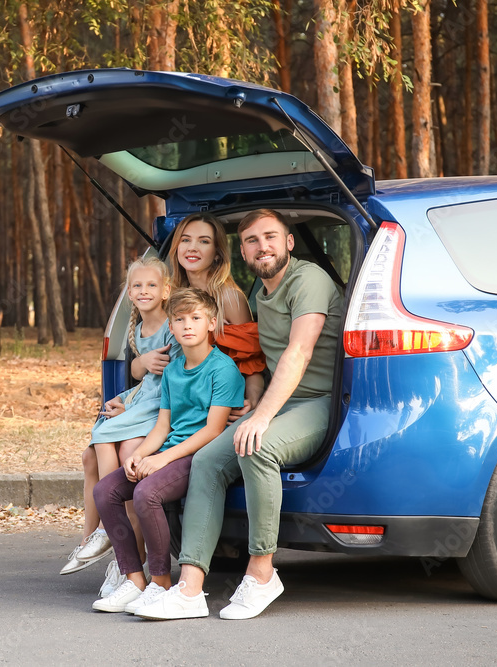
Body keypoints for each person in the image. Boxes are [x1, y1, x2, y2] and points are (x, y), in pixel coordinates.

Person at [137, 208, 343, 621]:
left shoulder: (309, 280)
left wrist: (261, 416)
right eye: (251, 240)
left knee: (256, 446)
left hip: (320, 401)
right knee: (208, 461)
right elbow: (250, 357)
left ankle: (262, 573)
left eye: (270, 237)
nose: (261, 246)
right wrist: (250, 399)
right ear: (243, 251)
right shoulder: (256, 295)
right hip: (278, 402)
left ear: (288, 242)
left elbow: (298, 352)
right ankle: (191, 588)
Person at [90, 288, 244, 613]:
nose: (188, 325)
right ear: (171, 328)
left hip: (199, 456)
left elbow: (213, 430)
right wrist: (140, 455)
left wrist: (161, 459)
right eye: (180, 319)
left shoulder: (223, 369)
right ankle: (134, 579)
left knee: (147, 493)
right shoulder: (173, 371)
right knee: (105, 491)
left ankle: (160, 582)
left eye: (196, 318)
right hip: (170, 450)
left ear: (212, 323)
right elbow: (162, 427)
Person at [62, 257, 182, 598]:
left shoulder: (171, 326)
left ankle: (116, 541)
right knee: (95, 447)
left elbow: (169, 381)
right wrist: (128, 395)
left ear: (166, 291)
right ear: (129, 293)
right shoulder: (139, 331)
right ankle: (92, 537)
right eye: (137, 286)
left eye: (151, 286)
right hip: (143, 401)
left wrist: (137, 378)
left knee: (116, 443)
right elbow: (145, 379)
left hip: (161, 406)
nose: (144, 291)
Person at [167, 213, 266, 419]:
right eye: (185, 240)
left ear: (217, 253)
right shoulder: (171, 296)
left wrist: (253, 401)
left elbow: (251, 362)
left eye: (204, 241)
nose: (192, 247)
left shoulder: (229, 298)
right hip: (177, 399)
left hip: (218, 405)